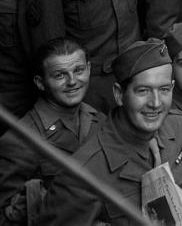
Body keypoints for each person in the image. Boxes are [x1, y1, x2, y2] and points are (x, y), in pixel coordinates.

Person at [37, 38, 182, 225]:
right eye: (143, 91)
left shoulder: (178, 125)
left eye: (164, 89)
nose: (156, 103)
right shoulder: (83, 175)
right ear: (119, 94)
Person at [0, 38, 104, 224]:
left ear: (89, 69)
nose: (72, 81)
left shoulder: (99, 120)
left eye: (78, 70)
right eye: (59, 75)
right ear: (40, 83)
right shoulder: (20, 140)